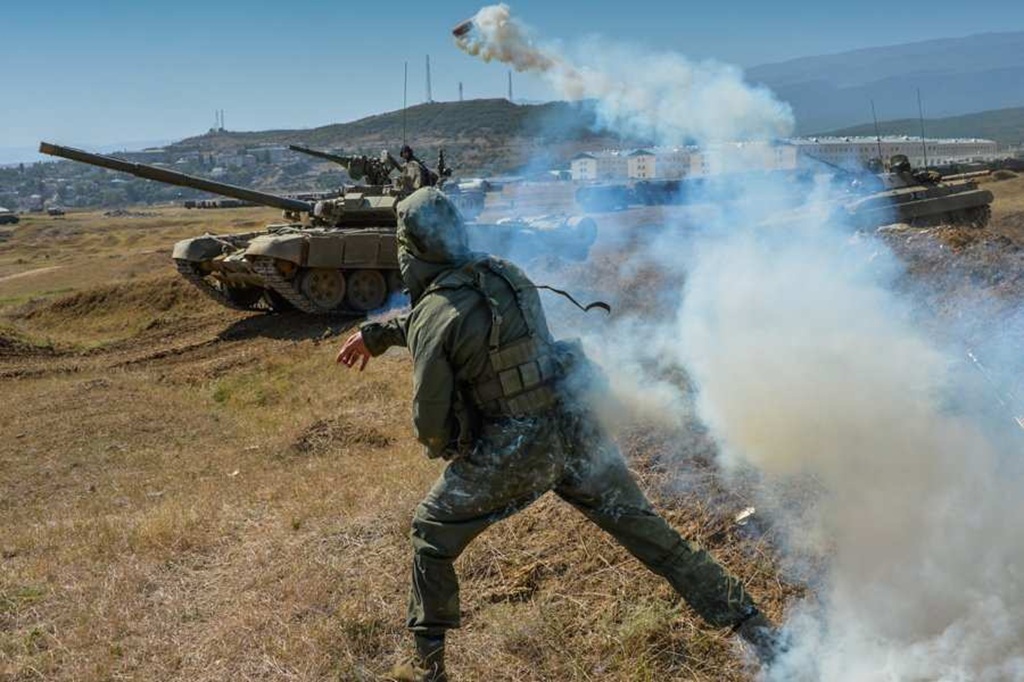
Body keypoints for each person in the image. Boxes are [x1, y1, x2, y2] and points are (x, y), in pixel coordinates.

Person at [336, 187, 780, 681]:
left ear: (408, 247)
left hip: (515, 452)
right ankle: (759, 631)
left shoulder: (436, 313)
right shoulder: (506, 274)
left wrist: (452, 447)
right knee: (655, 538)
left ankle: (428, 670)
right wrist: (379, 335)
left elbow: (430, 419)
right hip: (576, 427)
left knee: (429, 533)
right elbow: (454, 317)